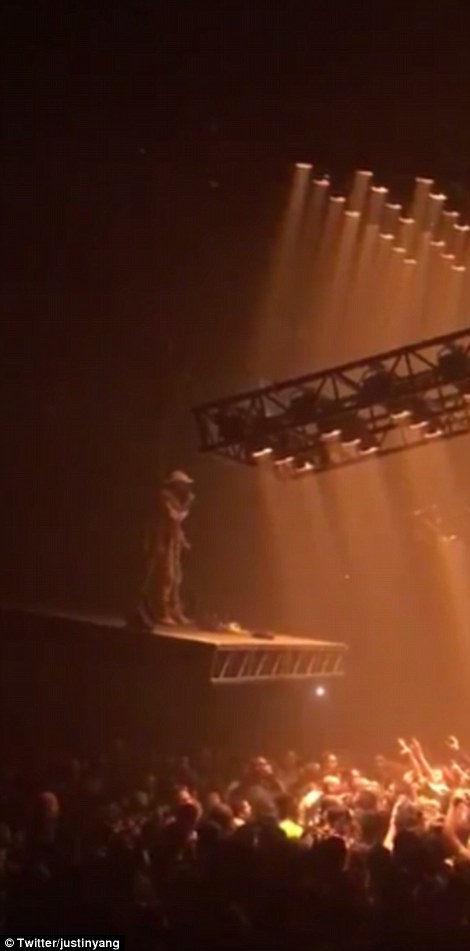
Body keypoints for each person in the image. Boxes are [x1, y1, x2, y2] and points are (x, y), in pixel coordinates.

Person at [139, 470, 195, 627]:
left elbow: (177, 524)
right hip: (163, 539)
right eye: (183, 484)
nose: (186, 488)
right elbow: (169, 519)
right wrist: (159, 543)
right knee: (166, 575)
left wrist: (182, 540)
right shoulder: (165, 498)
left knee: (177, 576)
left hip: (173, 539)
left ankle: (174, 610)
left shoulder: (179, 501)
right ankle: (161, 611)